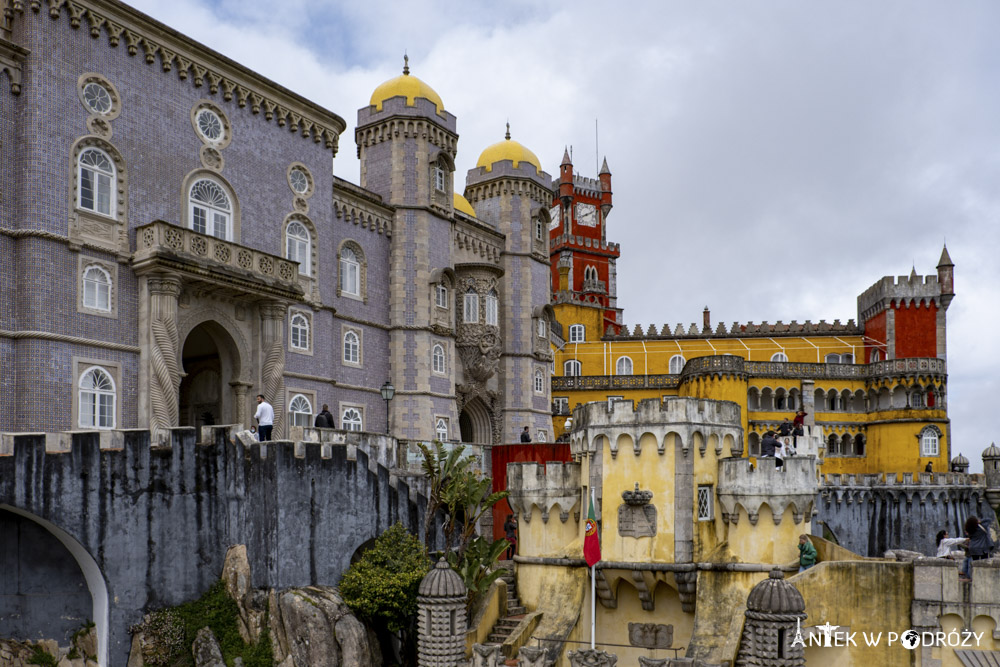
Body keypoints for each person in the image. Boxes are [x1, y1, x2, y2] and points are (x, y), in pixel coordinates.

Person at [960, 516, 994, 582]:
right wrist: (980, 521)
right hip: (982, 547)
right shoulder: (982, 527)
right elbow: (989, 519)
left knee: (975, 563)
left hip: (973, 548)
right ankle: (984, 577)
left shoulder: (969, 529)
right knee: (984, 563)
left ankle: (974, 577)